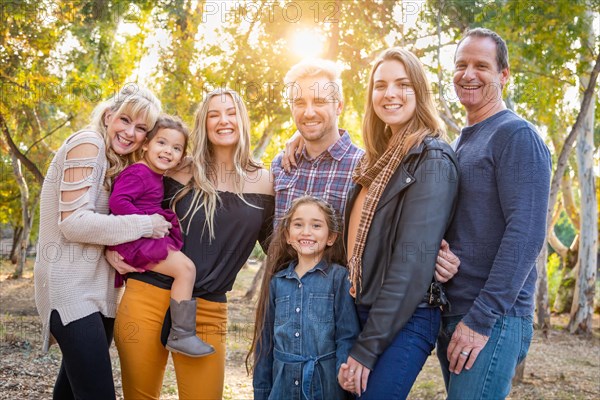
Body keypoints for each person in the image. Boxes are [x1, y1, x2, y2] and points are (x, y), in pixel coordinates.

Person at [109, 88, 274, 399]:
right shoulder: (177, 168)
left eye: (231, 112)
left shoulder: (266, 180)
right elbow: (130, 207)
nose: (223, 120)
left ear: (243, 121)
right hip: (147, 297)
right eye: (214, 114)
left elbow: (276, 246)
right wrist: (109, 248)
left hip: (209, 308)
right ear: (204, 123)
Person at [436, 28, 551, 399]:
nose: (468, 74)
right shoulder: (460, 141)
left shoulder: (515, 135)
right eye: (461, 65)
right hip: (455, 312)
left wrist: (481, 319)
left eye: (481, 66)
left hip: (492, 318)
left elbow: (526, 233)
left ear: (503, 75)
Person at [339, 48, 459, 399]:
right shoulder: (374, 162)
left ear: (419, 92)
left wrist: (367, 348)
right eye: (380, 85)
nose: (389, 94)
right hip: (359, 309)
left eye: (402, 84)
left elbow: (411, 263)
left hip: (407, 318)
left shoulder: (432, 157)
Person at [34, 84, 168, 399]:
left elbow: (99, 227)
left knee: (69, 392)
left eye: (141, 128)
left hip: (100, 291)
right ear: (109, 116)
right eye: (124, 120)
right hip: (70, 290)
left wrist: (110, 251)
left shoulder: (115, 162)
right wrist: (146, 225)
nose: (130, 132)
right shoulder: (88, 142)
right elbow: (74, 223)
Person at [277, 59, 461, 283]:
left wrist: (438, 257)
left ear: (339, 106)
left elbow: (396, 237)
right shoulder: (281, 166)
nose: (308, 112)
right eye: (299, 102)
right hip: (283, 302)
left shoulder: (368, 168)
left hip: (343, 306)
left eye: (319, 101)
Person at [107, 115, 213, 357]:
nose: (168, 152)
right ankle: (181, 334)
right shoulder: (139, 173)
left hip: (142, 238)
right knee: (186, 270)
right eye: (161, 143)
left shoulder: (154, 174)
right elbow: (118, 202)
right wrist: (145, 224)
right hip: (137, 241)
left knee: (184, 268)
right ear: (146, 144)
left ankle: (179, 331)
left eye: (176, 148)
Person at [249, 195, 360, 400]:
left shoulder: (339, 278)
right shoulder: (277, 283)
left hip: (325, 384)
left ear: (331, 237)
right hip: (282, 387)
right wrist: (261, 392)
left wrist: (345, 372)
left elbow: (347, 334)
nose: (306, 232)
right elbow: (265, 345)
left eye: (316, 225)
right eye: (298, 224)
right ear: (288, 235)